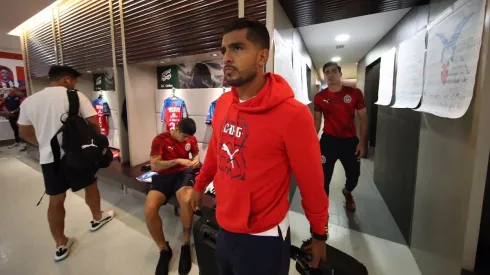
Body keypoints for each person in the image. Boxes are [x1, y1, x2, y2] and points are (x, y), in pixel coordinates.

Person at [189, 19, 329, 275]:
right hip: (225, 226)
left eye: (237, 48)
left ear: (262, 56)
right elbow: (216, 153)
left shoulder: (293, 115)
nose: (226, 58)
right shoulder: (222, 105)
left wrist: (319, 234)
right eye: (224, 51)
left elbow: (312, 183)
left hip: (264, 238)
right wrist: (200, 184)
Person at [17, 65, 115, 262]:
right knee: (90, 185)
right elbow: (95, 123)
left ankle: (61, 244)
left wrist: (45, 144)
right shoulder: (75, 96)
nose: (75, 84)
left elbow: (24, 132)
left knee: (56, 199)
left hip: (49, 158)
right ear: (67, 79)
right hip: (78, 155)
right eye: (75, 80)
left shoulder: (29, 101)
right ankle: (97, 217)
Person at [146, 117, 200, 275]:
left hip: (183, 174)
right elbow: (154, 164)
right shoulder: (160, 139)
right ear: (176, 129)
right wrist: (178, 160)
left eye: (188, 137)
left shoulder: (191, 138)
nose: (186, 140)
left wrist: (195, 160)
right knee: (149, 209)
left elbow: (196, 154)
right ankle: (164, 249)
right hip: (164, 176)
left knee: (187, 199)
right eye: (184, 136)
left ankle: (185, 244)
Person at [313, 62, 368, 213]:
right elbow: (317, 120)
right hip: (328, 141)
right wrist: (311, 143)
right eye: (327, 72)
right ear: (324, 76)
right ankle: (323, 212)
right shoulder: (319, 97)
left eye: (333, 71)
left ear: (340, 74)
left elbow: (363, 118)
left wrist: (362, 143)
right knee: (323, 178)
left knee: (354, 176)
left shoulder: (354, 93)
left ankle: (347, 191)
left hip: (350, 142)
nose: (330, 74)